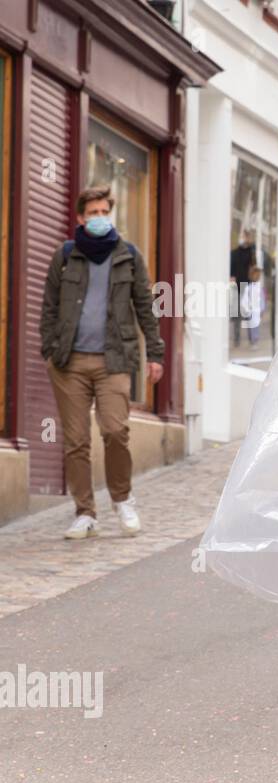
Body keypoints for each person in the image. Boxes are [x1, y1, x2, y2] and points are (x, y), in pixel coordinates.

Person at [39, 185, 165, 540]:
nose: (98, 218)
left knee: (114, 431)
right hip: (70, 363)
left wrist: (155, 353)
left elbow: (145, 305)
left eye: (103, 212)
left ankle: (123, 499)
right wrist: (49, 350)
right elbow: (49, 307)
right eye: (91, 213)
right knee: (76, 441)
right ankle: (84, 513)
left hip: (114, 359)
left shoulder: (129, 256)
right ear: (80, 218)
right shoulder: (65, 255)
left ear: (111, 214)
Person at [240, 264, 267, 347]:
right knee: (251, 326)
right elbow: (244, 299)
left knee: (256, 325)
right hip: (250, 310)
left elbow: (262, 299)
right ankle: (252, 340)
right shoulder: (248, 288)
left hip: (257, 310)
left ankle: (255, 339)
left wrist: (262, 309)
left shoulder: (260, 288)